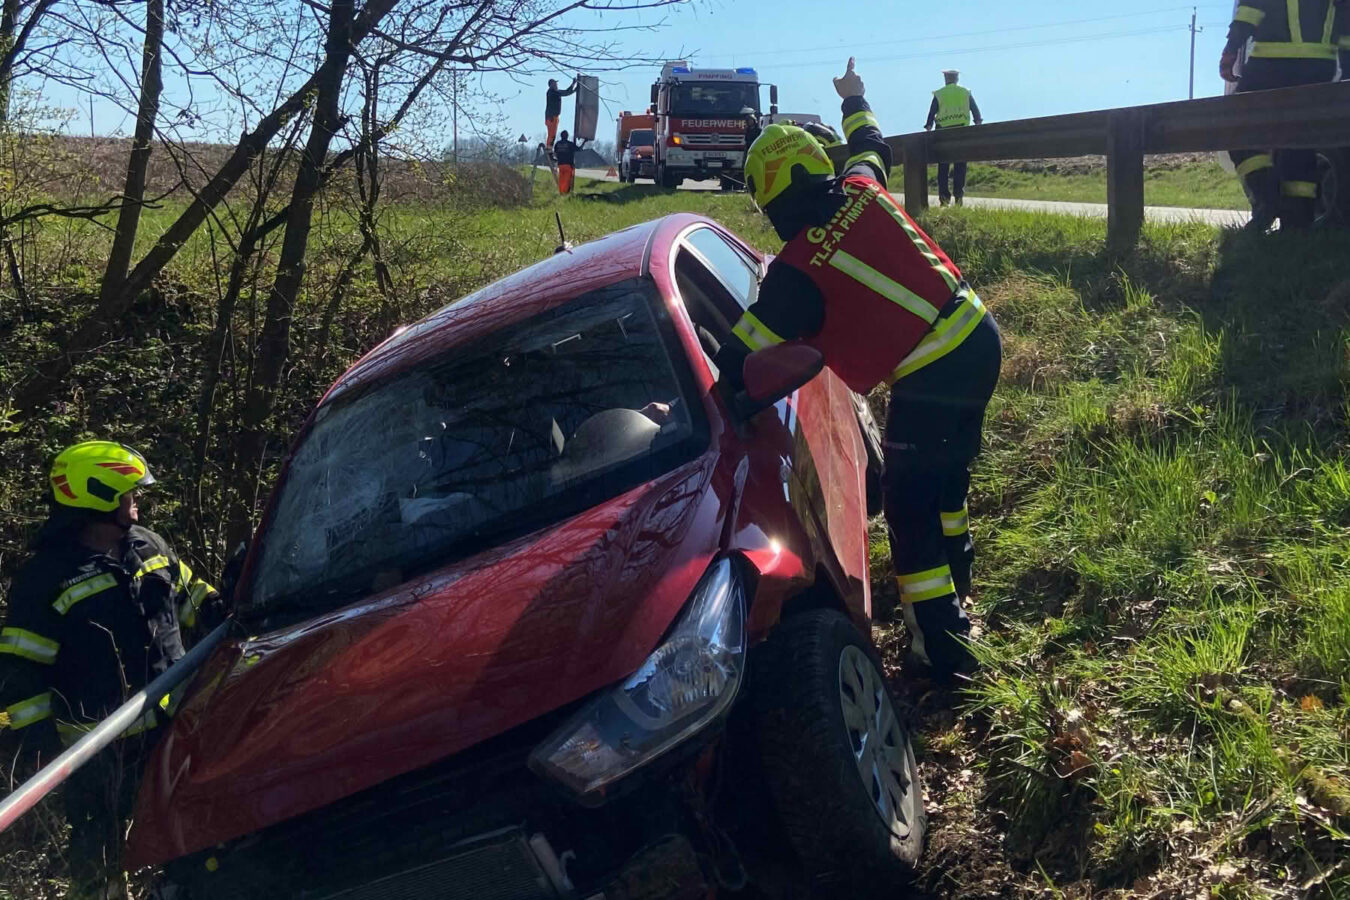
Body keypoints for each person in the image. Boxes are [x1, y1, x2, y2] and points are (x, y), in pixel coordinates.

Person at [724, 58, 1002, 679]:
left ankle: (946, 652)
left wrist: (693, 396)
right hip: (979, 336)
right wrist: (854, 95)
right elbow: (870, 141)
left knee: (908, 511)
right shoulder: (861, 185)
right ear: (815, 165)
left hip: (930, 375)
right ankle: (962, 577)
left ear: (767, 198)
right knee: (945, 476)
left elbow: (739, 355)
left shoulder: (792, 274)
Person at [0, 441, 223, 898]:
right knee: (98, 870)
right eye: (128, 493)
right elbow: (19, 673)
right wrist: (38, 748)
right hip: (97, 755)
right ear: (98, 496)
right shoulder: (44, 580)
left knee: (199, 842)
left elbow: (192, 600)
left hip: (174, 731)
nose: (137, 500)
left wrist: (227, 605)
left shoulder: (149, 546)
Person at [1221, 0, 1347, 231]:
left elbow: (1251, 8)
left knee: (1232, 122)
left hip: (1273, 61)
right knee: (1299, 142)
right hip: (1320, 66)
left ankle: (1266, 196)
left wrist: (1231, 48)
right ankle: (1297, 225)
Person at [924, 69, 983, 207]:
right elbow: (975, 111)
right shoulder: (965, 92)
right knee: (960, 166)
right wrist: (978, 123)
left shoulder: (939, 94)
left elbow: (932, 113)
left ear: (946, 79)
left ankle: (944, 199)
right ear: (957, 79)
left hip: (943, 133)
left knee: (943, 167)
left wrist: (928, 127)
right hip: (961, 132)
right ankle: (958, 197)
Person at [544, 77, 577, 152]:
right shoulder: (552, 92)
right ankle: (549, 149)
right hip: (551, 117)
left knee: (552, 134)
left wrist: (573, 86)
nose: (556, 85)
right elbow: (565, 93)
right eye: (555, 83)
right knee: (551, 135)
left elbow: (566, 92)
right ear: (551, 85)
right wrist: (573, 86)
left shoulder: (554, 92)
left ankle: (549, 148)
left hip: (553, 117)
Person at [553, 129, 579, 194]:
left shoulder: (557, 144)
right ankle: (564, 193)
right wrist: (584, 142)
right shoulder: (570, 144)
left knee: (561, 179)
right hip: (568, 165)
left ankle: (561, 191)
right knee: (567, 180)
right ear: (567, 136)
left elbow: (555, 153)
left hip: (560, 164)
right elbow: (579, 149)